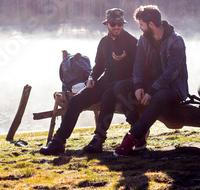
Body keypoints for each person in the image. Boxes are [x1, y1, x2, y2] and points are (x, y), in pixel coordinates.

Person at [40, 8, 138, 155]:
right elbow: (98, 65)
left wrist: (123, 61)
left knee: (107, 98)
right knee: (77, 100)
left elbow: (138, 68)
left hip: (123, 84)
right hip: (105, 81)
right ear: (107, 24)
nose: (117, 26)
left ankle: (98, 140)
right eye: (113, 23)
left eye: (120, 23)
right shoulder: (103, 42)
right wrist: (91, 78)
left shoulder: (132, 41)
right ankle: (58, 141)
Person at [113, 5, 188, 157]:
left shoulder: (176, 41)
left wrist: (152, 91)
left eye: (141, 24)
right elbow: (138, 65)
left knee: (159, 97)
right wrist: (138, 85)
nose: (140, 28)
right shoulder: (144, 39)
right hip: (150, 85)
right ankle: (140, 135)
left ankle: (132, 138)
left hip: (173, 88)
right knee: (120, 87)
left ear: (151, 25)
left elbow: (171, 72)